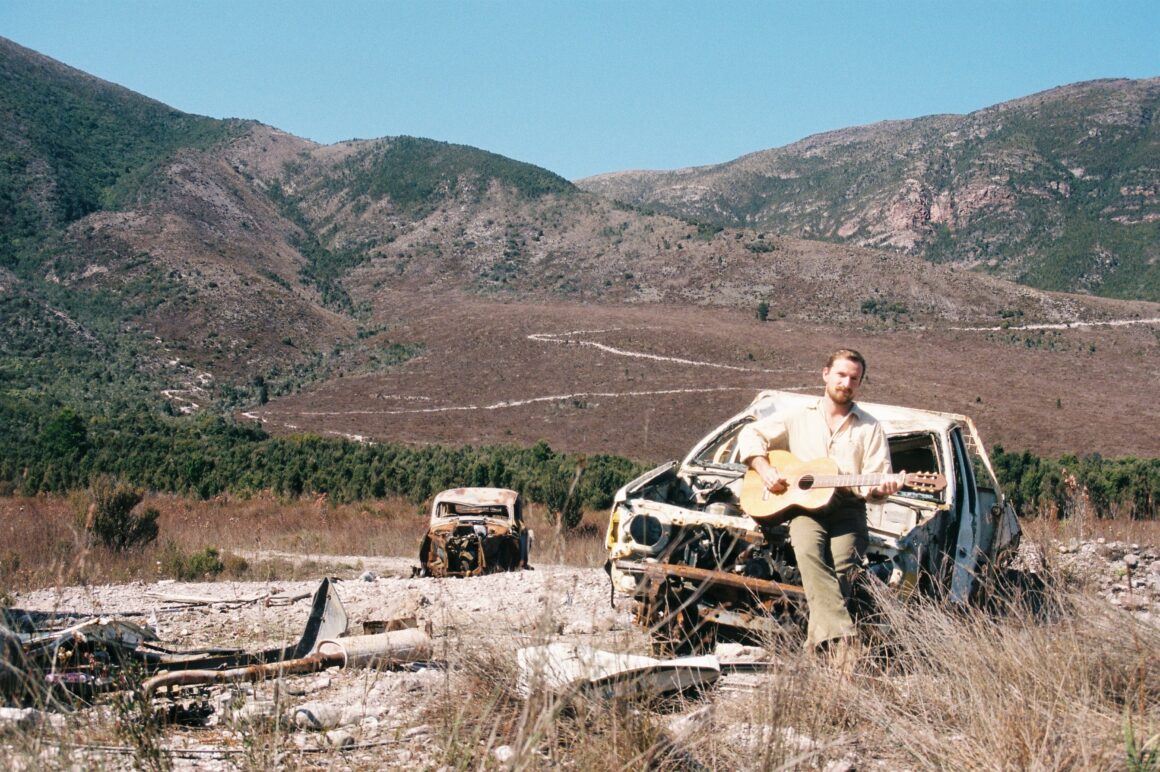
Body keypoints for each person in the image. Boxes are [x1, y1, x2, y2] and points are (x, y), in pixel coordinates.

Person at [736, 349, 900, 657]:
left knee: (842, 572)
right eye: (841, 375)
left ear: (860, 383)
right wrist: (764, 468)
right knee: (809, 554)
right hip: (804, 509)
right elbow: (752, 432)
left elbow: (876, 482)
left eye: (854, 378)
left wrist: (882, 488)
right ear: (825, 374)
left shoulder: (870, 427)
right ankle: (846, 642)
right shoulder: (798, 415)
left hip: (848, 509)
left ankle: (814, 651)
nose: (846, 383)